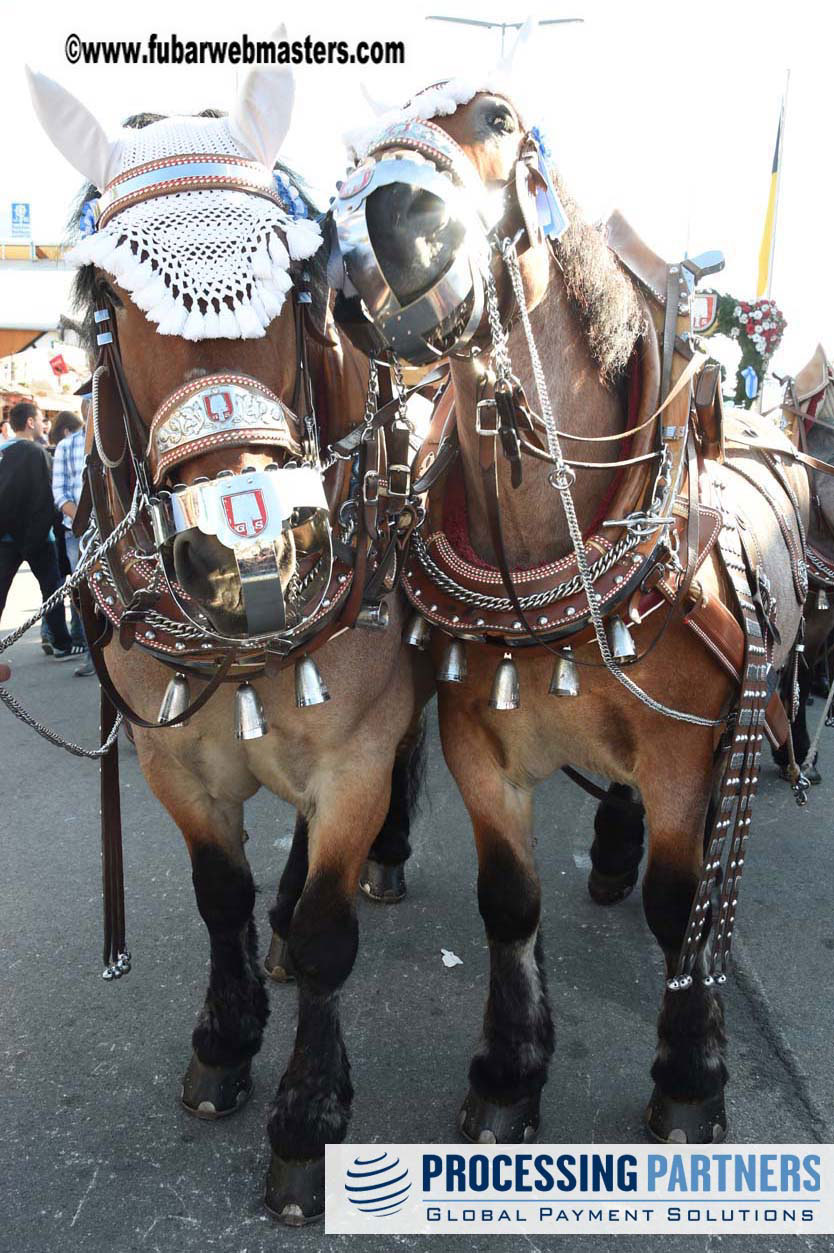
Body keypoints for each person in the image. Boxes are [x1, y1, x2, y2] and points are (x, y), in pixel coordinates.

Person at [0, 401, 79, 658]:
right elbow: (46, 497)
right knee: (52, 589)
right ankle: (61, 642)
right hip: (37, 536)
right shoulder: (36, 453)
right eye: (40, 419)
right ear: (30, 422)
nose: (45, 424)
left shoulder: (2, 452)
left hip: (6, 538)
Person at [52, 402, 94, 675]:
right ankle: (95, 656)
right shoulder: (67, 447)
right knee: (86, 596)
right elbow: (60, 494)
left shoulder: (118, 436)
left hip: (117, 531)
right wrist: (85, 520)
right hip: (78, 534)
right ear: (85, 409)